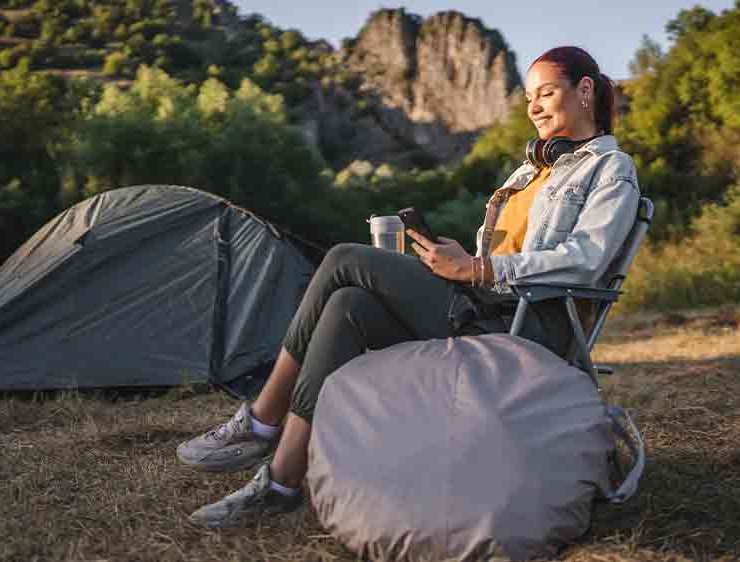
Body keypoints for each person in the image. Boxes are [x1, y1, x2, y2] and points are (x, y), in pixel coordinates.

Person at [177, 46, 641, 528]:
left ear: (584, 90)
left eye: (545, 93)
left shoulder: (610, 169)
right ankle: (280, 482)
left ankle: (261, 421)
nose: (534, 108)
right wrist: (460, 259)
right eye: (528, 99)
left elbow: (586, 262)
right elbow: (500, 256)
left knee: (343, 259)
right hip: (487, 306)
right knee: (348, 304)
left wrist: (477, 270)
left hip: (531, 326)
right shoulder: (528, 172)